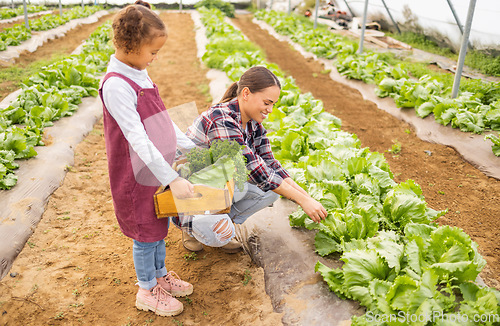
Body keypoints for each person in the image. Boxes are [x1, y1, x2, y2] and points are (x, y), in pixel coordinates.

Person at [99, 1, 195, 317]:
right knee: (144, 231)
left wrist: (192, 146)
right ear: (131, 46)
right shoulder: (116, 84)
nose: (155, 58)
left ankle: (160, 275)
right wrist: (172, 177)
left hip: (155, 168)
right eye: (152, 52)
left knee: (159, 223)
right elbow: (138, 138)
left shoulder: (139, 73)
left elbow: (161, 123)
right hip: (135, 173)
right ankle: (146, 289)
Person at [174, 66, 328, 252]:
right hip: (189, 192)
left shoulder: (253, 123)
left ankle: (221, 220)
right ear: (246, 93)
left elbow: (271, 164)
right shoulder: (221, 119)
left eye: (273, 104)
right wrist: (302, 201)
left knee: (272, 189)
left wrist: (307, 198)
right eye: (267, 102)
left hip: (218, 185)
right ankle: (192, 225)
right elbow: (254, 168)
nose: (270, 109)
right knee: (222, 234)